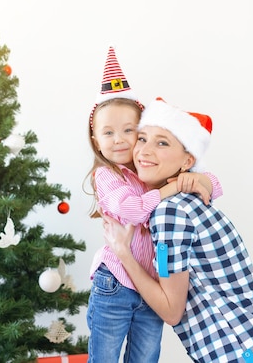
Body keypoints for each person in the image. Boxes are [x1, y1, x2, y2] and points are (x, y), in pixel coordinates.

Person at [102, 97, 253, 362]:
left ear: (187, 160)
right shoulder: (191, 199)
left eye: (162, 142)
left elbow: (171, 311)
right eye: (142, 138)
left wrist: (124, 254)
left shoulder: (170, 214)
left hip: (248, 353)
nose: (144, 151)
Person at [85, 48, 224, 363]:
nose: (119, 139)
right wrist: (173, 187)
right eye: (108, 133)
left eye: (129, 131)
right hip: (115, 283)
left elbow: (214, 184)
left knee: (146, 357)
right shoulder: (106, 176)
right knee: (104, 357)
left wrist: (195, 181)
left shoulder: (148, 170)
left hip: (150, 288)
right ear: (95, 140)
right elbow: (133, 210)